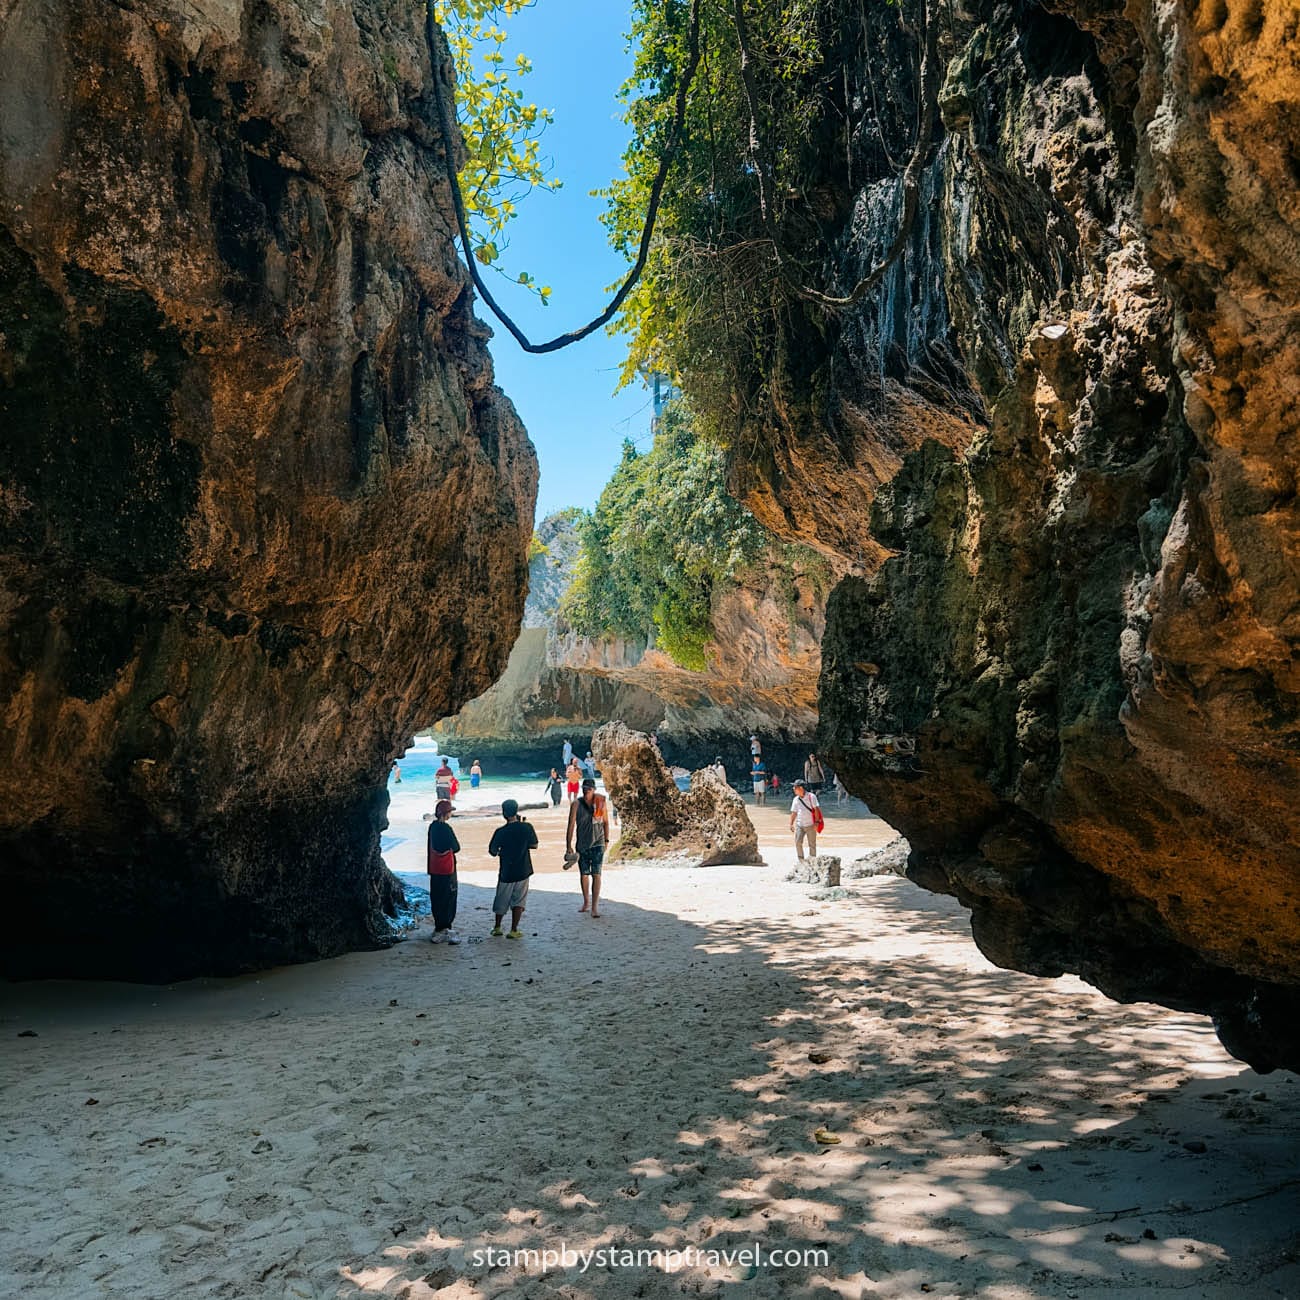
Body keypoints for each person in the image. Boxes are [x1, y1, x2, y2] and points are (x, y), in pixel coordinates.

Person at [488, 799, 537, 939]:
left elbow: (492, 851)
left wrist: (501, 852)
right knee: (519, 900)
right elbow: (534, 845)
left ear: (504, 813)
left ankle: (497, 927)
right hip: (523, 869)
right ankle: (514, 929)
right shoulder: (527, 827)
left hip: (506, 871)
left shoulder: (500, 831)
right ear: (517, 811)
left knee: (501, 899)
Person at [566, 777, 611, 917]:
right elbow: (571, 826)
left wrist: (607, 841)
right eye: (584, 789)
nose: (586, 791)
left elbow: (606, 823)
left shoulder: (601, 802)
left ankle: (595, 907)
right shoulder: (576, 804)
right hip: (582, 845)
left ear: (594, 790)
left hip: (598, 843)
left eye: (589, 789)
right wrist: (568, 845)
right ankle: (586, 902)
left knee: (596, 874)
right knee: (584, 874)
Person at [426, 799, 461, 944]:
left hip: (435, 868)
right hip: (447, 869)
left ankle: (438, 927)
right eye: (450, 811)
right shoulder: (446, 829)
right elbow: (457, 847)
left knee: (437, 897)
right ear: (446, 813)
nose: (451, 814)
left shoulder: (432, 827)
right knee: (449, 898)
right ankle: (445, 928)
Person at [790, 779, 821, 861]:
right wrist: (791, 824)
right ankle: (801, 860)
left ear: (800, 788)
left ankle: (812, 860)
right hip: (800, 825)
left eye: (795, 787)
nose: (793, 788)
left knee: (812, 844)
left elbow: (816, 810)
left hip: (811, 825)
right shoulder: (796, 799)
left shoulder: (812, 796)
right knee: (798, 842)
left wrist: (817, 822)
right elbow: (794, 812)